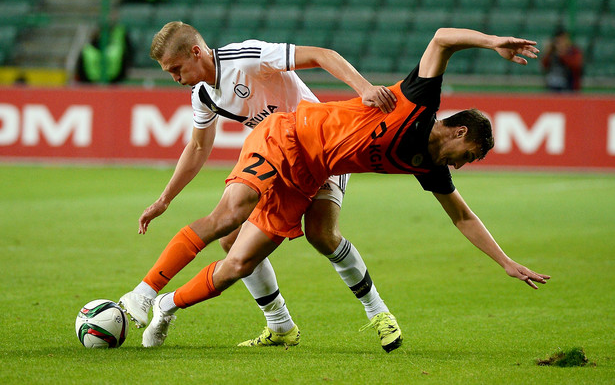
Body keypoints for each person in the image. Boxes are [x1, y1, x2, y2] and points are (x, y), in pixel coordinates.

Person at [139, 27, 550, 350]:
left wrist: (505, 262)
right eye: (468, 154)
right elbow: (442, 38)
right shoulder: (417, 104)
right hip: (287, 134)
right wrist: (493, 42)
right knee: (228, 222)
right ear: (459, 130)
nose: (462, 164)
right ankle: (141, 295)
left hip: (313, 172)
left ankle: (165, 305)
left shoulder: (427, 165)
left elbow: (463, 216)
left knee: (242, 260)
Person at [119, 22, 403, 352]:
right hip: (278, 158)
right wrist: (165, 199)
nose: (175, 78)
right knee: (231, 239)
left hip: (322, 148)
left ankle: (379, 312)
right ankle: (279, 323)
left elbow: (322, 55)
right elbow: (198, 147)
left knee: (322, 234)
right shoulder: (202, 94)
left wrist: (364, 88)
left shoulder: (247, 58)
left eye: (176, 69)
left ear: (196, 52)